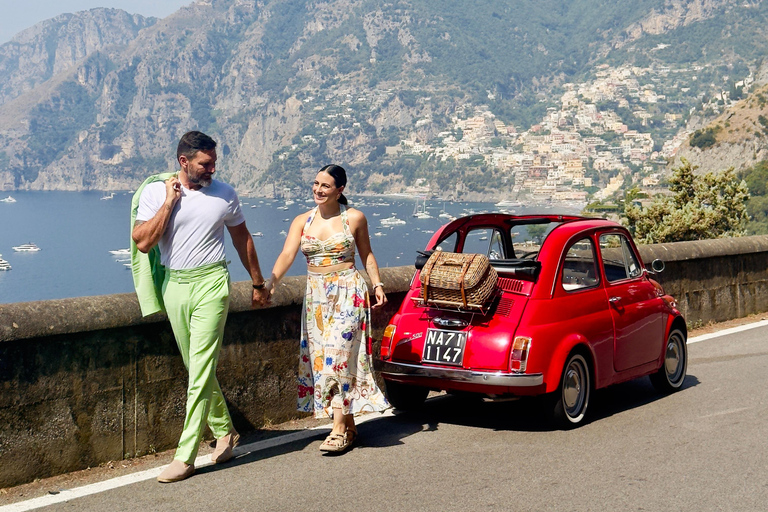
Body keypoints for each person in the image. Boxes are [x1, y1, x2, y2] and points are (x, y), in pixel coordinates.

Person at [131, 130, 270, 482]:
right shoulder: (155, 192)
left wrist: (257, 283)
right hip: (175, 285)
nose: (212, 169)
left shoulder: (225, 194)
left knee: (201, 367)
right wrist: (168, 203)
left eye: (214, 163)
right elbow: (144, 242)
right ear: (184, 162)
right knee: (198, 369)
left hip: (212, 283)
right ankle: (226, 430)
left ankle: (186, 454)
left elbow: (242, 239)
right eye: (205, 163)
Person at [267, 164, 390, 453]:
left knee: (337, 358)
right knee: (325, 362)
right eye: (316, 184)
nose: (318, 190)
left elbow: (366, 253)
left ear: (340, 190)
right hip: (317, 296)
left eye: (325, 186)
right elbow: (287, 253)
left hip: (348, 291)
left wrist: (378, 284)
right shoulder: (302, 221)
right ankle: (348, 423)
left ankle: (337, 431)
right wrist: (270, 282)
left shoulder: (354, 218)